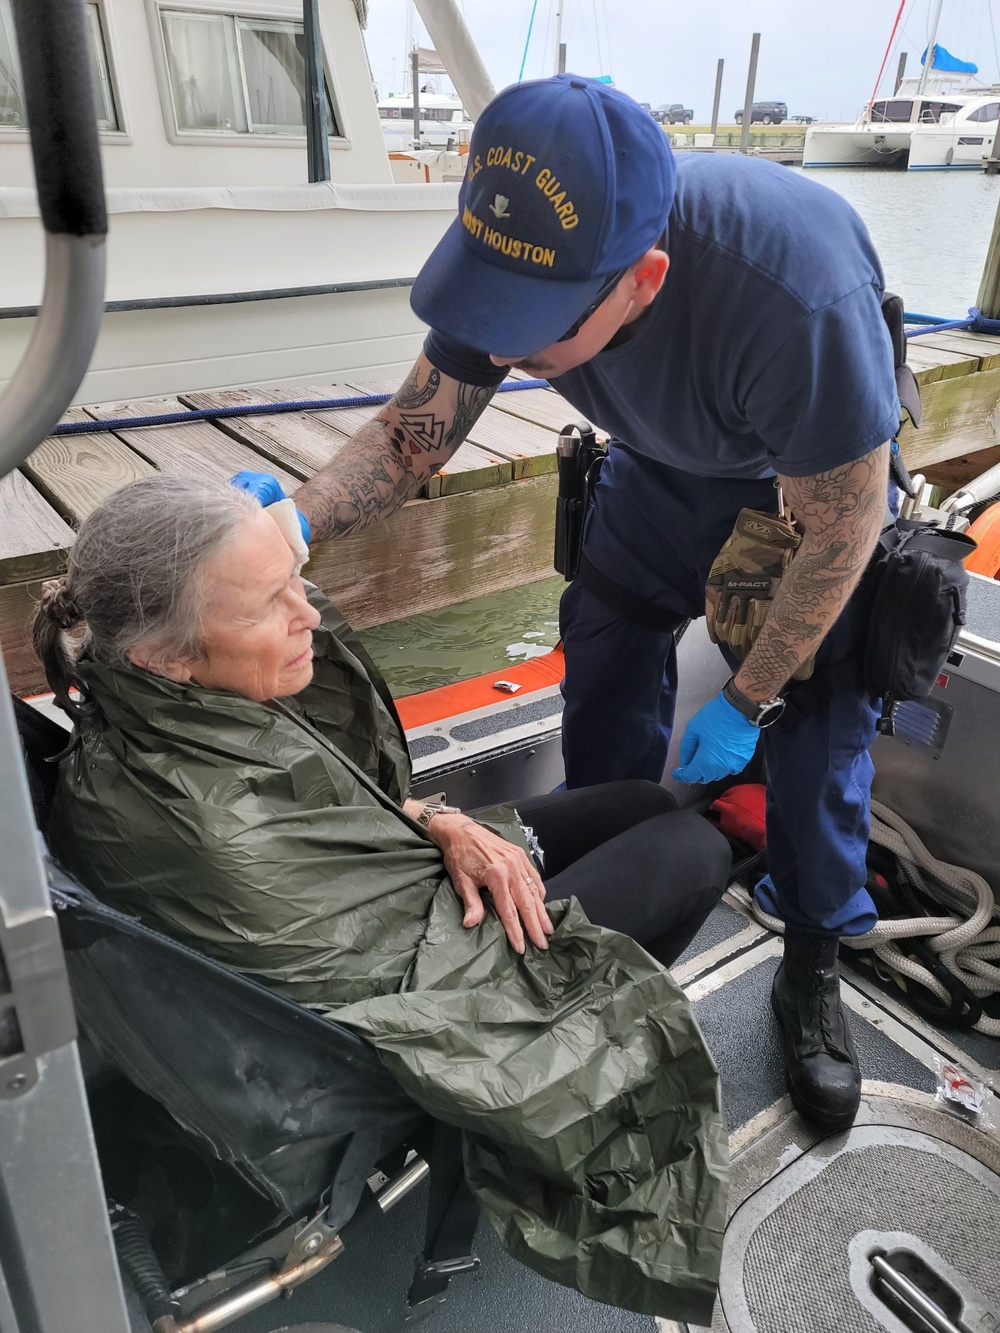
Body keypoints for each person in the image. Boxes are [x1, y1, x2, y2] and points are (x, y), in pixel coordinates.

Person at [236, 74, 900, 1134]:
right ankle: (600, 895)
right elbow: (418, 431)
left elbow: (842, 531)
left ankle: (814, 956)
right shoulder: (525, 253)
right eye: (486, 310)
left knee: (818, 723)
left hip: (796, 488)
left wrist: (747, 694)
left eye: (532, 331)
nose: (499, 351)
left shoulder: (793, 296)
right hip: (653, 466)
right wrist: (293, 524)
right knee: (599, 649)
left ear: (644, 279)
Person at [35, 474, 731, 1323]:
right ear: (168, 656)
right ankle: (573, 1074)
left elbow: (326, 808)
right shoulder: (205, 828)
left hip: (399, 885)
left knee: (641, 801)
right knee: (695, 847)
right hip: (421, 990)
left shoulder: (157, 710)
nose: (311, 618)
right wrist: (565, 989)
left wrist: (443, 822)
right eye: (268, 604)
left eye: (297, 577)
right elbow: (393, 969)